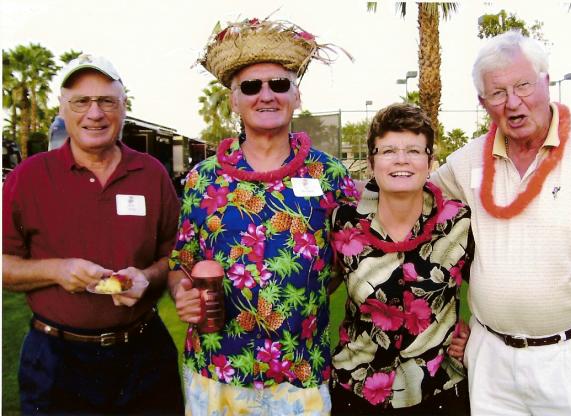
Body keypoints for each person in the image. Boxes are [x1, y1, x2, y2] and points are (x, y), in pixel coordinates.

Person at [431, 30, 571, 415]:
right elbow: (416, 200)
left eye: (523, 85)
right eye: (497, 93)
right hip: (492, 363)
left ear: (546, 81)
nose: (513, 103)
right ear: (482, 102)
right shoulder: (468, 160)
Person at [168, 18, 358, 415]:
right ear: (234, 100)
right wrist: (181, 294)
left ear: (297, 95)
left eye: (279, 84)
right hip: (217, 370)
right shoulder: (203, 178)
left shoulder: (330, 176)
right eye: (251, 87)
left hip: (300, 374)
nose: (266, 95)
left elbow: (358, 259)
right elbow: (180, 264)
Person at [2, 54, 184, 415]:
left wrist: (146, 278)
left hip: (144, 354)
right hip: (57, 361)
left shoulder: (150, 173)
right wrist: (57, 270)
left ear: (123, 107)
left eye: (106, 101)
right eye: (81, 101)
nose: (95, 113)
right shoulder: (28, 177)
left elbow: (175, 255)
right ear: (63, 108)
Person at [329, 103, 473, 415]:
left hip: (438, 391)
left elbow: (493, 290)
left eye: (414, 150)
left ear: (430, 160)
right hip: (357, 391)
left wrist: (478, 333)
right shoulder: (344, 222)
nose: (401, 159)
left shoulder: (458, 222)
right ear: (371, 162)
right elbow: (316, 288)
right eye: (388, 150)